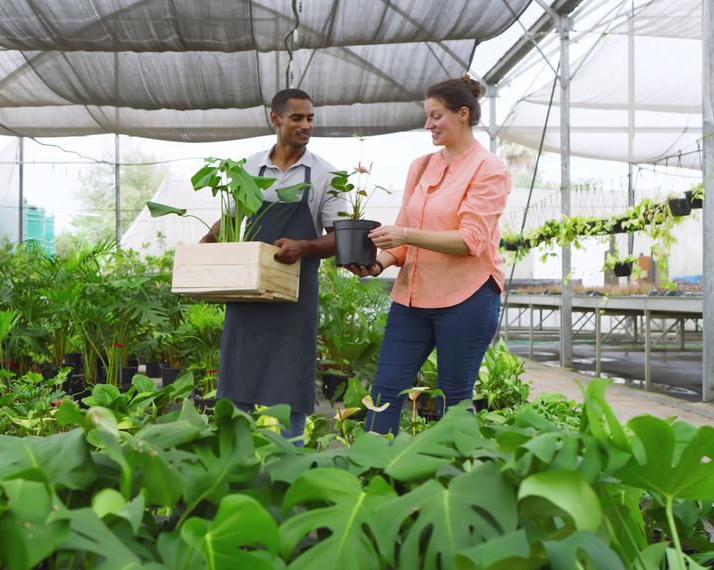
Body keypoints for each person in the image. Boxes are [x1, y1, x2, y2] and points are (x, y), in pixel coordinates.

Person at [344, 75, 510, 434]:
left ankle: (455, 476)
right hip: (412, 299)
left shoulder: (489, 169)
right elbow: (404, 237)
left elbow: (471, 241)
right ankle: (374, 472)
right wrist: (378, 263)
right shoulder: (420, 166)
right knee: (386, 388)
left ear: (462, 114)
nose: (428, 124)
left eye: (436, 116)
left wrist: (404, 234)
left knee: (453, 395)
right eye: (427, 116)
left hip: (466, 297)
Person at [201, 88, 347, 442]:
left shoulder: (326, 175)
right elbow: (230, 221)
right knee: (238, 375)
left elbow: (342, 236)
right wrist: (204, 250)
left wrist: (305, 245)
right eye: (297, 117)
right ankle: (233, 457)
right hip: (247, 292)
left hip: (295, 295)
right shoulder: (248, 168)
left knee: (290, 380)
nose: (306, 125)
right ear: (275, 118)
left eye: (310, 118)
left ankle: (288, 456)